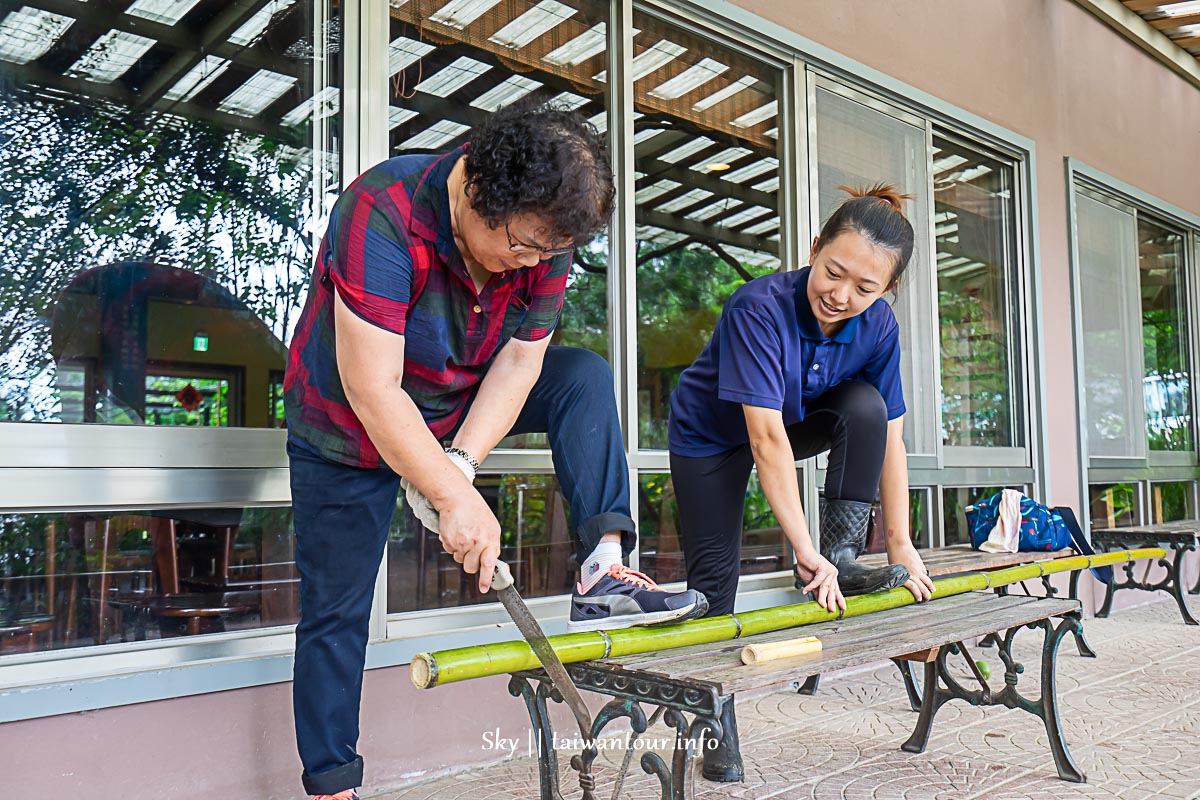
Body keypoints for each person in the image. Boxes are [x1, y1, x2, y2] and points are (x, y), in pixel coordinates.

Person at [282, 99, 707, 800]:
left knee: (584, 377)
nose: (534, 262)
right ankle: (333, 785)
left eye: (549, 251)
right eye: (525, 244)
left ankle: (604, 566)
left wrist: (459, 464)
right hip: (347, 422)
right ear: (480, 188)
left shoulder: (546, 237)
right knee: (337, 609)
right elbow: (372, 387)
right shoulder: (382, 210)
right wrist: (453, 499)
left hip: (459, 396)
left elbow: (519, 363)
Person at [666, 183, 937, 782]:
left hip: (788, 424)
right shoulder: (757, 307)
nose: (841, 296)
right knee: (715, 585)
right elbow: (764, 442)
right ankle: (717, 722)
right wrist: (802, 550)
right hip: (711, 438)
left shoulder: (879, 327)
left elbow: (889, 433)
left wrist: (900, 543)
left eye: (865, 288)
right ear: (814, 249)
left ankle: (846, 552)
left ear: (886, 291)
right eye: (832, 272)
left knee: (866, 406)